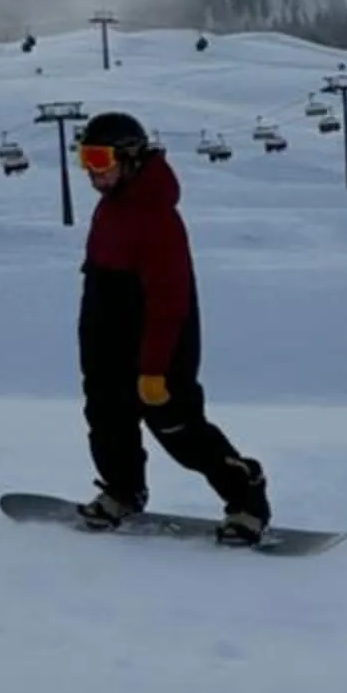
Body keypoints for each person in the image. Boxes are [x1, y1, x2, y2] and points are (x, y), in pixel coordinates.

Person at [72, 109, 271, 547]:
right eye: (85, 158)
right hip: (108, 342)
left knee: (177, 428)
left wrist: (154, 368)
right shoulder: (110, 209)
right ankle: (123, 491)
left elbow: (168, 301)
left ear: (130, 159)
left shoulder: (155, 217)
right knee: (107, 419)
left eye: (100, 160)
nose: (91, 172)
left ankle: (246, 499)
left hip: (161, 342)